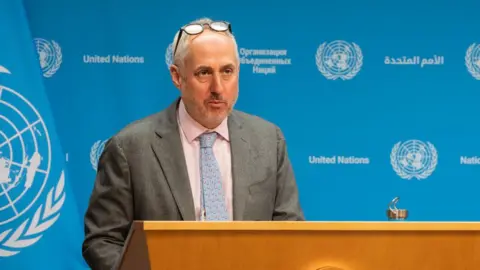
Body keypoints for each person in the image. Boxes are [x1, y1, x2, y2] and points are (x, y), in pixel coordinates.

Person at [82, 17, 304, 270]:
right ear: (177, 77)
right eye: (204, 73)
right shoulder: (129, 149)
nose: (218, 88)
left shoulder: (268, 140)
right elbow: (103, 241)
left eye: (227, 71)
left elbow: (291, 233)